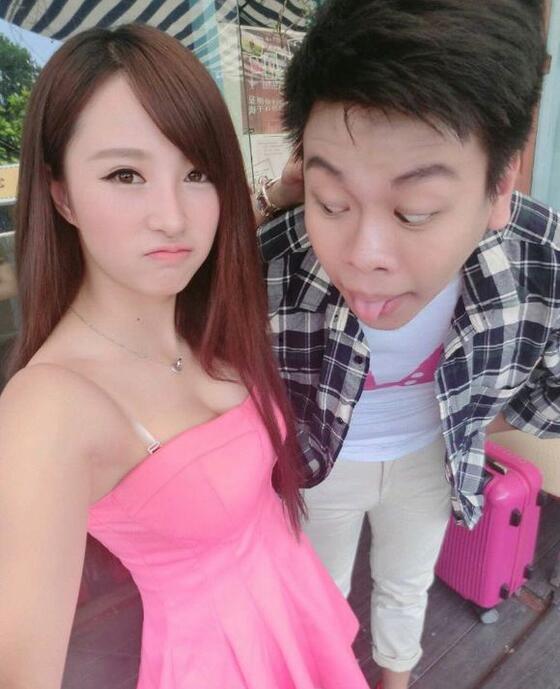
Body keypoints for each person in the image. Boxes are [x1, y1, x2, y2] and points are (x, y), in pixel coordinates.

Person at [0, 24, 370, 689]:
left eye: (197, 172)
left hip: (296, 619)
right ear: (62, 195)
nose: (172, 216)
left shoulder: (204, 319)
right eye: (125, 174)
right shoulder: (46, 409)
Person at [254, 1, 559, 688]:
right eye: (332, 202)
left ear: (500, 184)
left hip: (430, 460)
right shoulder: (270, 260)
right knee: (318, 598)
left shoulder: (541, 258)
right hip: (319, 461)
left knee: (406, 583)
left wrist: (472, 421)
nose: (365, 255)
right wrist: (270, 202)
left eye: (414, 212)